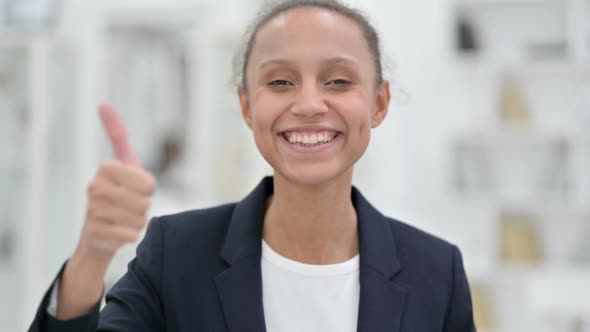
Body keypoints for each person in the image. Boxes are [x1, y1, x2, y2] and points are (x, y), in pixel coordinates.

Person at [29, 0, 476, 331]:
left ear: (378, 104)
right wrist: (92, 255)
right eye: (280, 81)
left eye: (337, 81)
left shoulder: (437, 272)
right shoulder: (176, 254)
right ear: (246, 106)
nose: (308, 104)